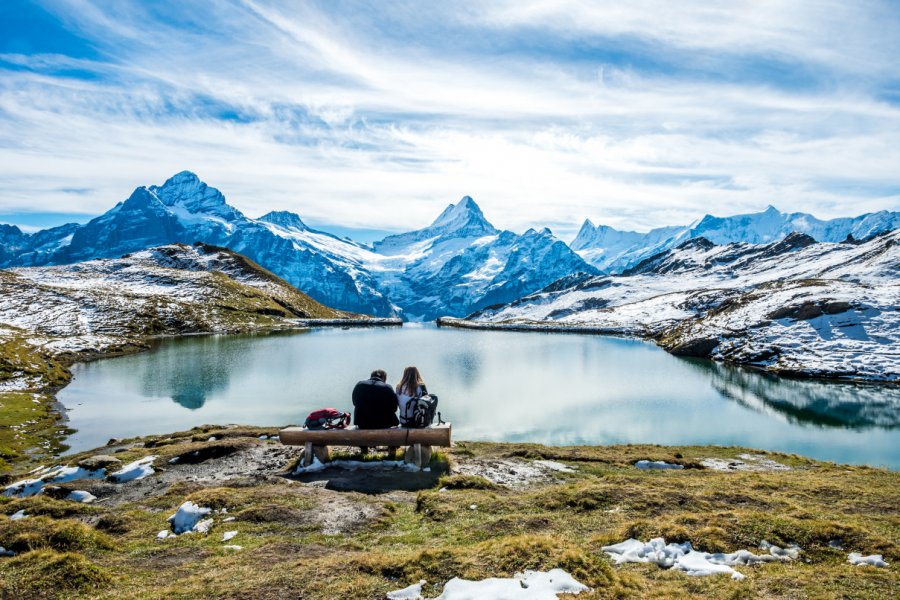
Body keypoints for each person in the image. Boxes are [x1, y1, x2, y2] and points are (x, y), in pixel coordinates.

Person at [351, 369, 399, 455]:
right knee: (393, 422)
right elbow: (394, 408)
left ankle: (364, 449)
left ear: (371, 376)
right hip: (384, 424)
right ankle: (392, 449)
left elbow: (354, 402)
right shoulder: (387, 387)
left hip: (363, 423)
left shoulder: (359, 385)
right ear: (384, 378)